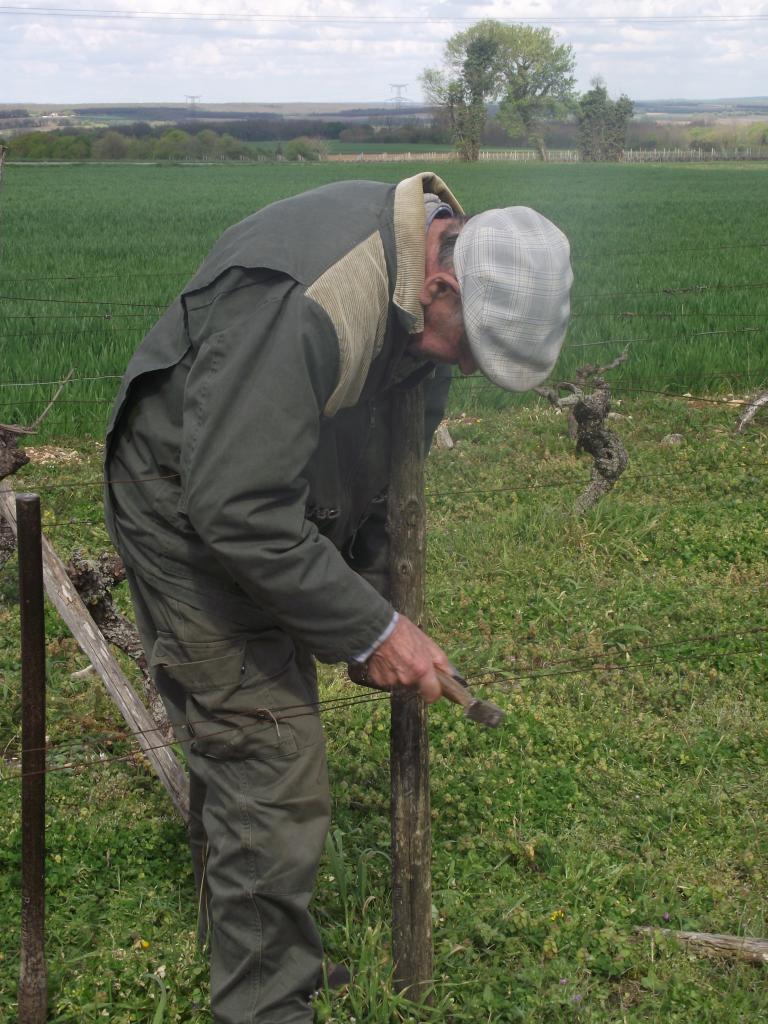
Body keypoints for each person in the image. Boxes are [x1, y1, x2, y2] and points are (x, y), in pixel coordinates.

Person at [104, 171, 572, 1024]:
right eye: (468, 349)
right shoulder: (316, 301)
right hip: (186, 501)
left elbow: (388, 470)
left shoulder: (426, 299)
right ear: (442, 281)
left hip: (273, 494)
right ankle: (266, 1003)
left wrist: (374, 597)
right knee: (266, 748)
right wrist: (370, 628)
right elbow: (235, 505)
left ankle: (259, 948)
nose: (464, 369)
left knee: (258, 753)